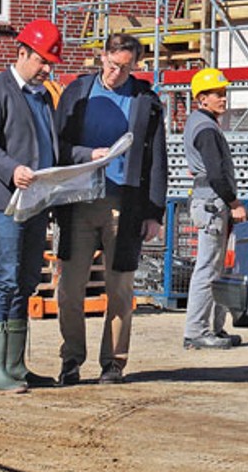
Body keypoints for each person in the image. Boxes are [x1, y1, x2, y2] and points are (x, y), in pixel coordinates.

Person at [54, 33, 167, 385]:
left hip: (124, 205)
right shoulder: (77, 92)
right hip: (77, 203)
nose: (117, 73)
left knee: (119, 289)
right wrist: (87, 155)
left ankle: (113, 363)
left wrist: (154, 212)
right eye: (113, 65)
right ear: (102, 57)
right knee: (69, 289)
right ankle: (71, 359)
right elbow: (57, 145)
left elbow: (157, 158)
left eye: (126, 68)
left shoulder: (145, 100)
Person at [0, 19, 64, 393]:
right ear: (22, 52)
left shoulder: (43, 97)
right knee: (6, 277)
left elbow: (51, 146)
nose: (46, 70)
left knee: (25, 280)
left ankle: (15, 365)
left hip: (36, 201)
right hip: (5, 201)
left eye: (50, 64)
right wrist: (13, 170)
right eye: (42, 61)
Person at [182, 68, 247, 349]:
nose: (223, 98)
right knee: (208, 268)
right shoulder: (206, 128)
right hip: (212, 203)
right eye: (217, 94)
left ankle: (215, 328)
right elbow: (216, 173)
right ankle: (196, 332)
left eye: (224, 93)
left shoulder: (201, 123)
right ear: (202, 98)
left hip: (209, 201)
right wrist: (234, 203)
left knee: (217, 268)